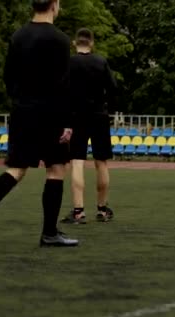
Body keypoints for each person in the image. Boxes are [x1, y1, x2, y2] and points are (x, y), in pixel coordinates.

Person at [0, 0, 78, 248]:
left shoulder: (18, 36)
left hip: (23, 112)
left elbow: (8, 76)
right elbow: (64, 85)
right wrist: (67, 122)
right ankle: (49, 233)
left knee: (17, 168)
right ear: (54, 5)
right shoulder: (61, 39)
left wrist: (21, 100)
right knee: (56, 169)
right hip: (51, 113)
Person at [60, 28, 116, 224]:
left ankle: (78, 211)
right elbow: (113, 88)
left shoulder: (69, 63)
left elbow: (63, 93)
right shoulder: (101, 62)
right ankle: (102, 209)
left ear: (75, 44)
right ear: (91, 43)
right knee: (101, 162)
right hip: (99, 116)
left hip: (77, 117)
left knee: (77, 161)